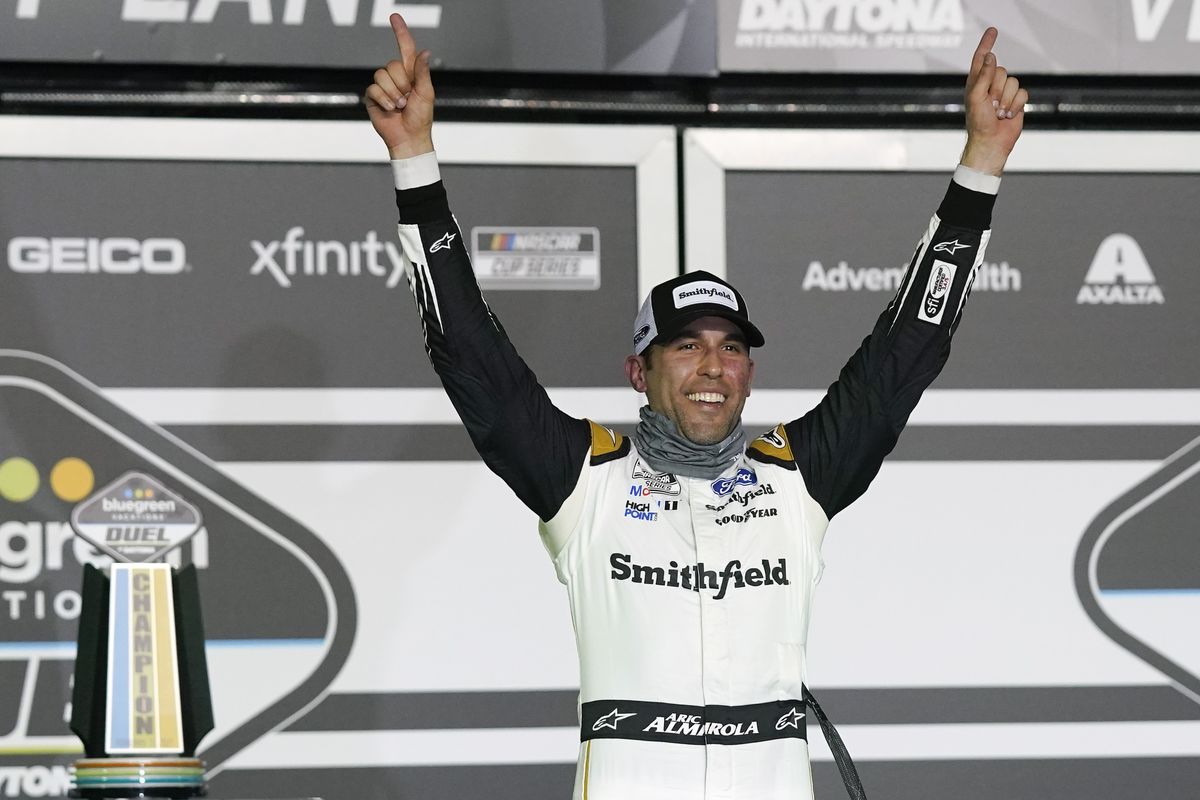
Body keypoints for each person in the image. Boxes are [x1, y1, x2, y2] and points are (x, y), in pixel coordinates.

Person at [366, 18, 1025, 800]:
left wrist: (981, 164)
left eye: (732, 347)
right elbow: (472, 357)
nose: (713, 366)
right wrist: (414, 160)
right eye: (685, 346)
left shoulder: (797, 476)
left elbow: (906, 352)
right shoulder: (586, 479)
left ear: (748, 372)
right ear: (638, 372)